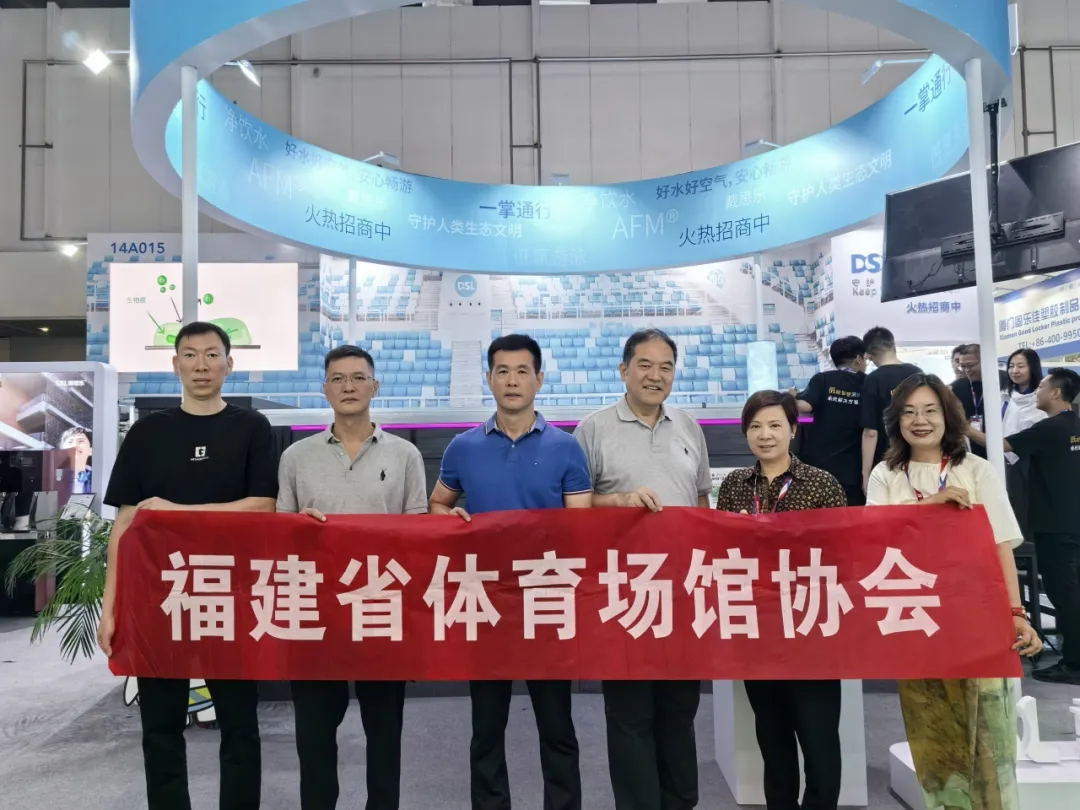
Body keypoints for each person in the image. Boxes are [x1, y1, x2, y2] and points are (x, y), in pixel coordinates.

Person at [98, 321, 278, 810]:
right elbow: (125, 524)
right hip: (160, 598)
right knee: (159, 726)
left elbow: (262, 506)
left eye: (212, 355)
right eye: (191, 355)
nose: (202, 365)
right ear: (175, 364)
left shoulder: (252, 428)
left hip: (231, 596)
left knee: (240, 725)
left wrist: (175, 511)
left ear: (229, 364)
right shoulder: (147, 432)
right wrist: (111, 607)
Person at [429, 333, 591, 810]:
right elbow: (437, 504)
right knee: (486, 727)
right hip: (486, 601)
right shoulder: (463, 447)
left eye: (523, 371)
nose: (513, 380)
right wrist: (449, 517)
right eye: (503, 371)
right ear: (489, 379)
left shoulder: (566, 447)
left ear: (539, 379)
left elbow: (582, 527)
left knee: (557, 726)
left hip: (546, 600)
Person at [866, 373, 1041, 810]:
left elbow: (1001, 546)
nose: (920, 421)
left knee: (990, 737)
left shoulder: (976, 469)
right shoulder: (886, 474)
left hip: (977, 618)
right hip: (917, 620)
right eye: (909, 412)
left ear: (948, 416)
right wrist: (926, 506)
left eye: (930, 410)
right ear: (896, 421)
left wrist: (1016, 612)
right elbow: (870, 539)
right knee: (933, 739)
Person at [277, 345, 427, 809]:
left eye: (358, 378)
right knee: (314, 739)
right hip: (316, 613)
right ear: (324, 389)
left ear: (374, 387)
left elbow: (419, 538)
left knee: (385, 737)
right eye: (338, 379)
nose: (348, 387)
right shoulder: (296, 456)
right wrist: (296, 527)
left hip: (381, 611)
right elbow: (278, 535)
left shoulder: (405, 455)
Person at [573, 328, 711, 810]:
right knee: (630, 716)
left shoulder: (689, 427)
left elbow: (701, 502)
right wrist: (619, 501)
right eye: (645, 365)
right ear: (624, 370)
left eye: (666, 366)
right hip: (623, 599)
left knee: (679, 711)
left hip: (681, 597)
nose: (656, 375)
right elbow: (573, 509)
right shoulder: (593, 430)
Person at [715, 390, 847, 810]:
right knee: (773, 745)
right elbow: (721, 554)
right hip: (759, 634)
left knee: (820, 745)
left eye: (775, 425)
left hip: (811, 631)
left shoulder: (822, 483)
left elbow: (844, 554)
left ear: (793, 429)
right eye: (755, 426)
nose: (765, 434)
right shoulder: (735, 486)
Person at [1002, 367, 1080, 685]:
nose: (1037, 391)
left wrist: (962, 427)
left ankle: (1074, 664)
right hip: (1072, 521)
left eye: (1042, 386)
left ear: (1056, 392)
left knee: (1065, 595)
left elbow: (1002, 445)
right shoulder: (1074, 424)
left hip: (1055, 526)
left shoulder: (1048, 428)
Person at [966, 348, 1046, 538]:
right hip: (1000, 457)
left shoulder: (1041, 399)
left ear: (1033, 368)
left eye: (1021, 366)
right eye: (1011, 366)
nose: (1014, 371)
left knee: (1024, 506)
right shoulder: (1004, 395)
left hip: (1028, 460)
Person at [793, 335, 868, 506]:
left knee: (819, 515)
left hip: (819, 464)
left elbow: (804, 406)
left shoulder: (823, 379)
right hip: (853, 468)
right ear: (858, 358)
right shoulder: (869, 382)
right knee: (851, 516)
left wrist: (789, 397)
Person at [859, 326, 921, 492]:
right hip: (918, 454)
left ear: (868, 355)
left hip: (887, 458)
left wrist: (866, 474)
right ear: (894, 346)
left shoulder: (873, 379)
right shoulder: (917, 373)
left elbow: (870, 432)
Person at [950, 344, 1007, 460]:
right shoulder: (958, 387)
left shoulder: (1005, 380)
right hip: (973, 449)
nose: (967, 370)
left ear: (985, 360)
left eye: (970, 365)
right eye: (963, 366)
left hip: (1004, 446)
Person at [59, 426, 92, 494]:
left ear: (91, 451)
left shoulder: (99, 478)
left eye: (81, 441)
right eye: (70, 442)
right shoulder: (50, 478)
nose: (75, 445)